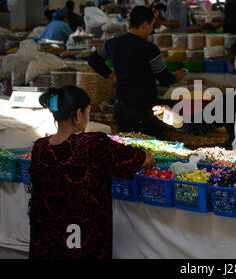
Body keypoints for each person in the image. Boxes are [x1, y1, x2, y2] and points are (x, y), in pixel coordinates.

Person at [28, 86, 155, 259]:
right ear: (79, 114)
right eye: (88, 112)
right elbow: (143, 159)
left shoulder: (40, 147)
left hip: (48, 240)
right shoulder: (91, 144)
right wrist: (149, 156)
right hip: (83, 239)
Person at [88, 6, 185, 137]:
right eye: (152, 25)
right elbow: (165, 78)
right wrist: (177, 76)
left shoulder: (114, 43)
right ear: (145, 25)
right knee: (149, 146)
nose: (152, 30)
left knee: (126, 144)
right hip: (143, 108)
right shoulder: (150, 49)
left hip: (121, 105)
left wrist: (112, 76)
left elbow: (93, 59)